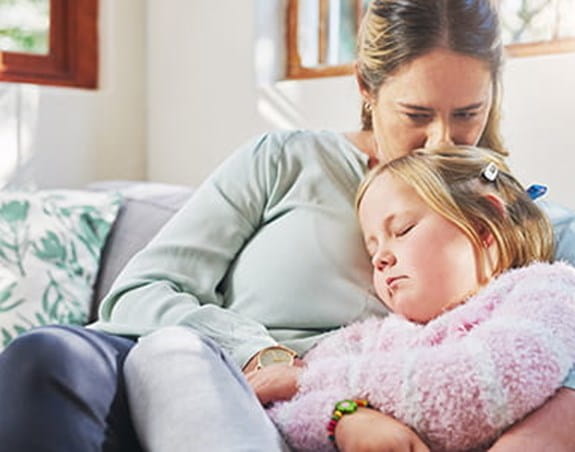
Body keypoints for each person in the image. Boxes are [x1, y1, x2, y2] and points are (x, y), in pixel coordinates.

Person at [0, 0, 574, 451]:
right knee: (47, 357)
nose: (443, 141)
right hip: (205, 375)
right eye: (417, 115)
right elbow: (137, 292)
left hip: (339, 409)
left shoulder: (515, 217)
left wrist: (343, 399)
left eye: (468, 113)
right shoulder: (284, 160)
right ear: (367, 92)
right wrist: (260, 355)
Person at [265, 146, 575, 451]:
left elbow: (478, 386)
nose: (379, 259)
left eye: (402, 229)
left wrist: (310, 379)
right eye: (372, 248)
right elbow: (282, 410)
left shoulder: (544, 290)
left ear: (483, 227)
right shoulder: (367, 337)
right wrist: (347, 417)